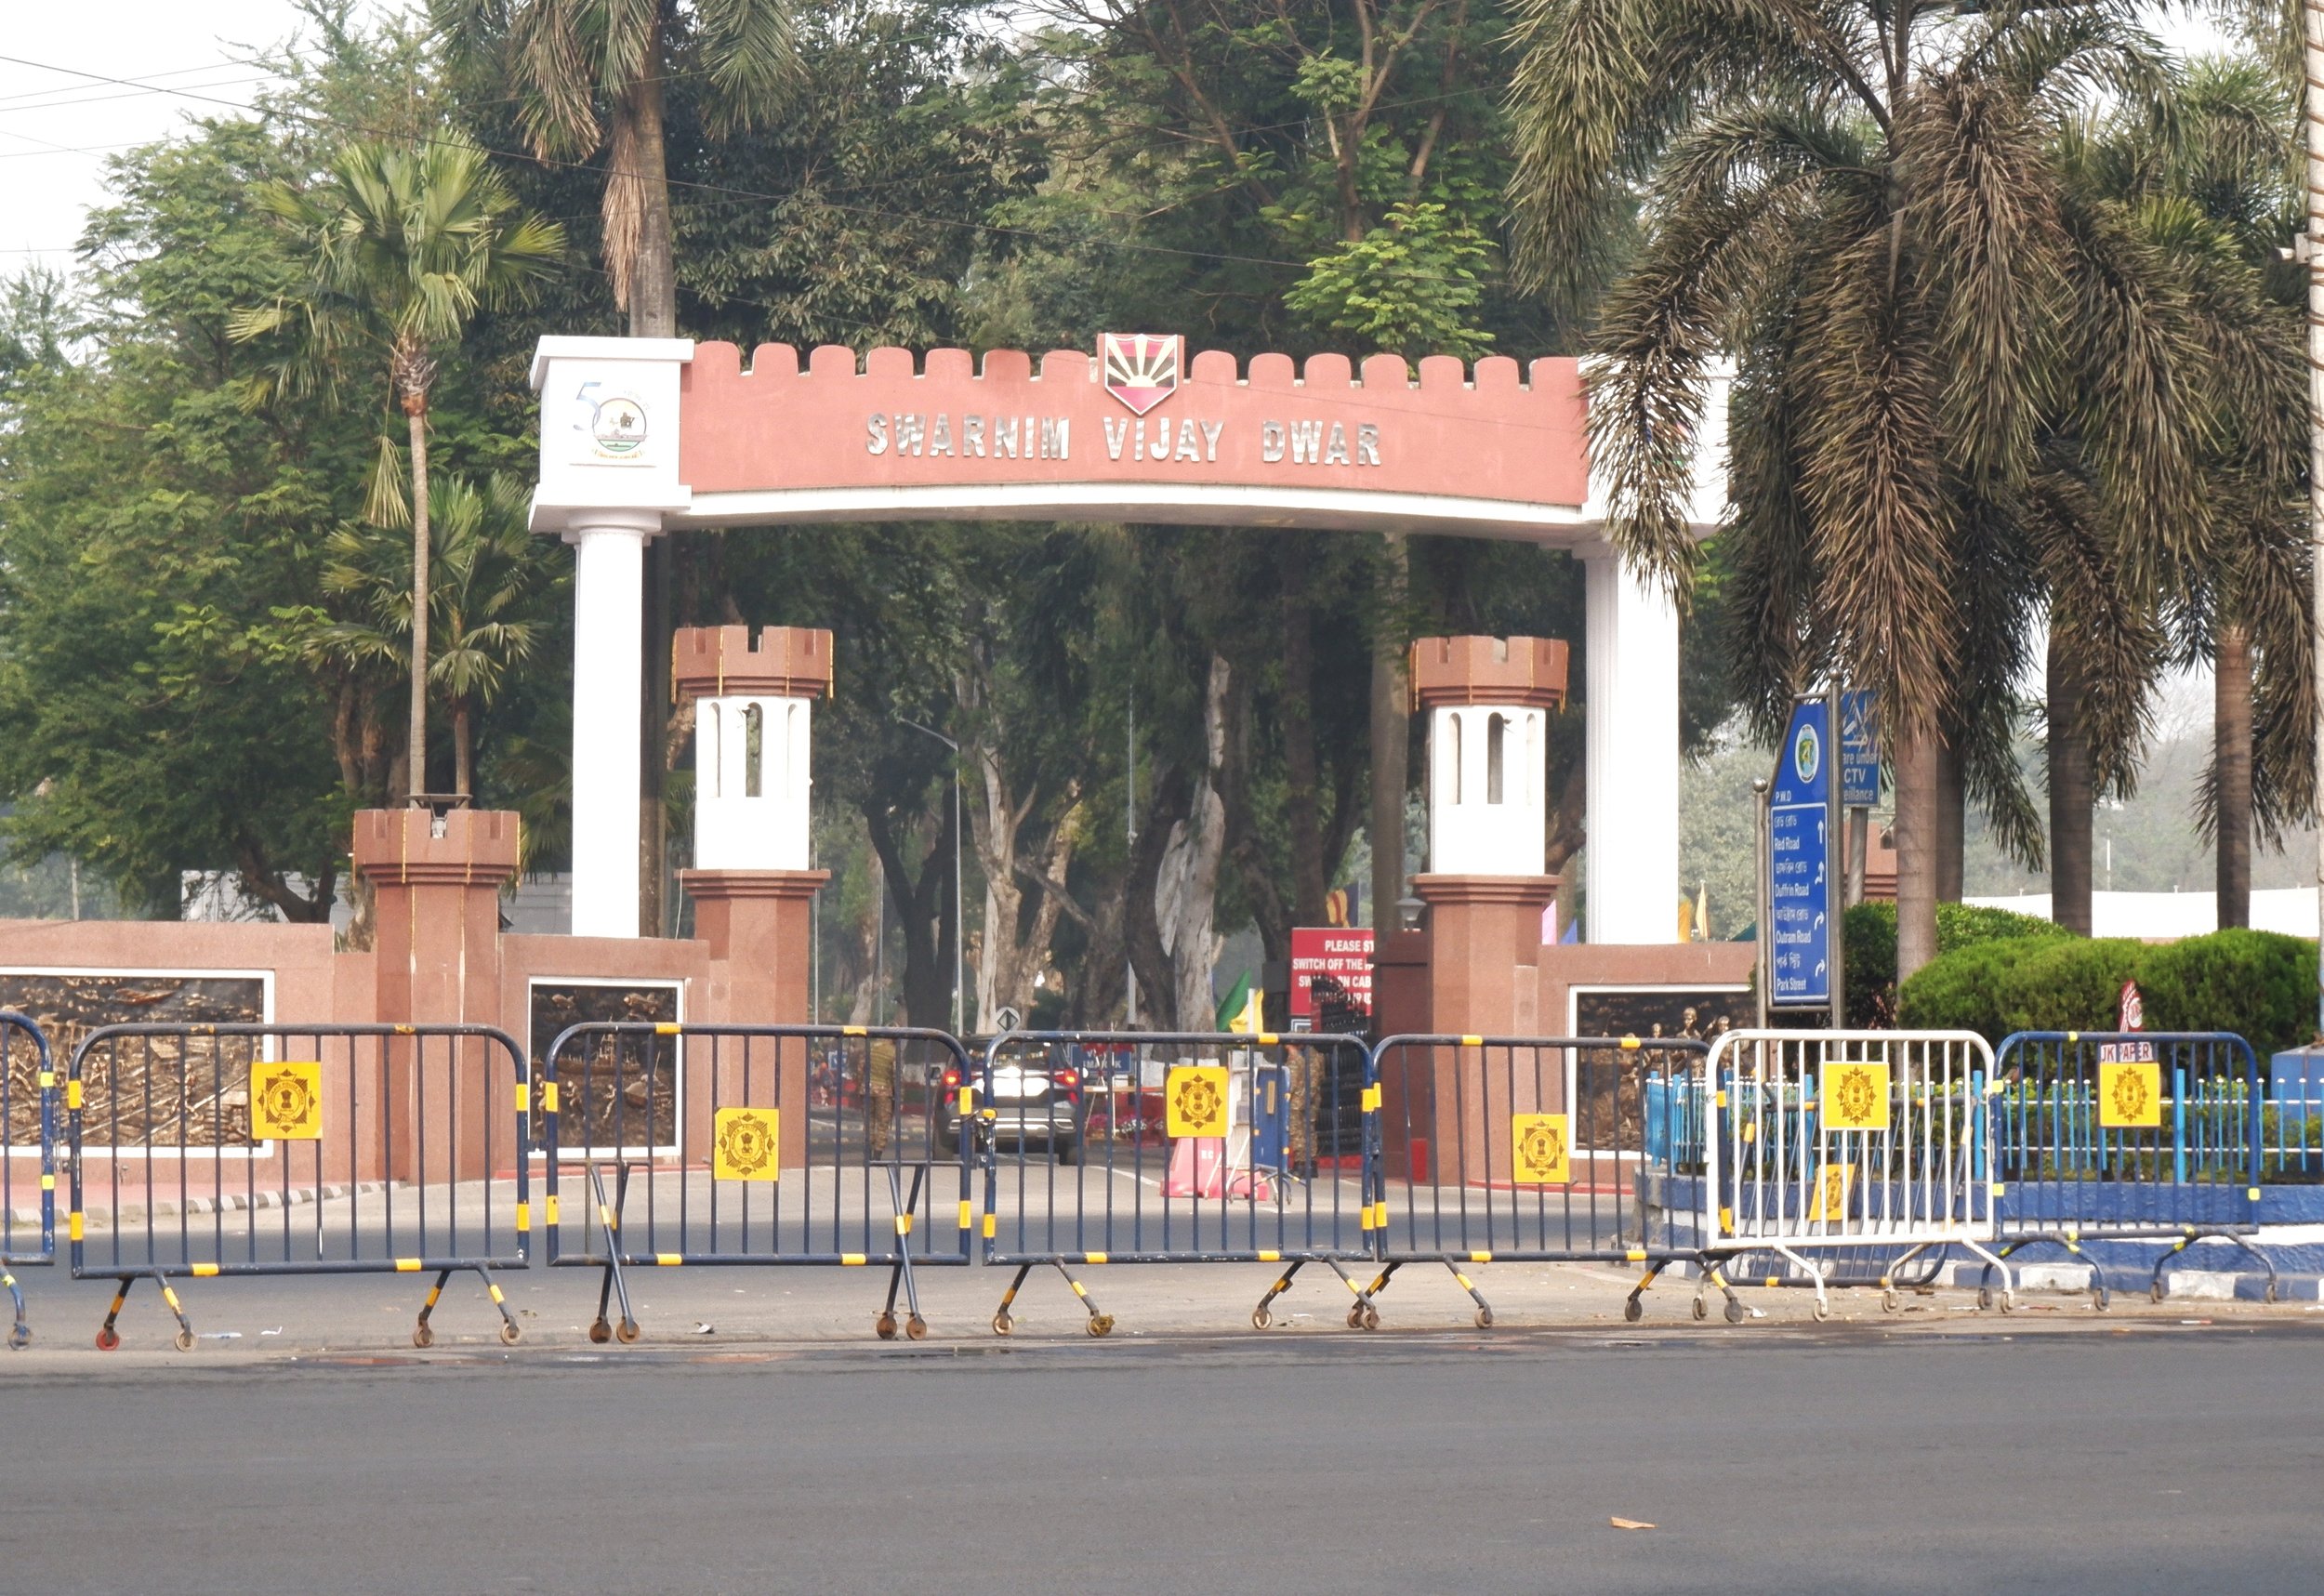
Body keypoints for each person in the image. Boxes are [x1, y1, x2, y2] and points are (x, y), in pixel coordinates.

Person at [865, 1036, 897, 1158]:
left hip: (867, 1089)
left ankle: (867, 1149)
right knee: (883, 1124)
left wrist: (861, 1086)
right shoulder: (893, 1052)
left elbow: (860, 1068)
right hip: (884, 1091)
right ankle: (877, 1155)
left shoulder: (871, 1048)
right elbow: (896, 1075)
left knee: (869, 1122)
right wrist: (899, 1096)